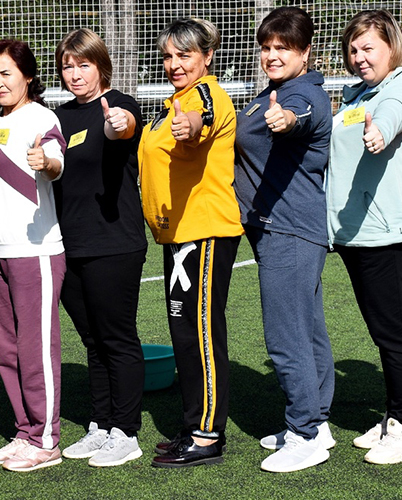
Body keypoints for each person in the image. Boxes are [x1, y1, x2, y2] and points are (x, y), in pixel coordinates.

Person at [326, 10, 402, 465]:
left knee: (396, 332)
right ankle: (394, 416)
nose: (359, 56)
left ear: (392, 47)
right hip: (358, 234)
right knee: (383, 332)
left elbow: (390, 117)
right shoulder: (357, 94)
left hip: (389, 235)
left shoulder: (401, 89)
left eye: (368, 47)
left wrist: (379, 131)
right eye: (353, 49)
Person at [233, 7, 334, 473]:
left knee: (285, 335)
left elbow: (302, 117)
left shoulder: (302, 94)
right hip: (280, 229)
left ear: (305, 52)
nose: (272, 55)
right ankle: (319, 421)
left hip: (289, 229)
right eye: (267, 47)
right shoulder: (268, 94)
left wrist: (287, 120)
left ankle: (304, 433)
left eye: (283, 48)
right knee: (307, 329)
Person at [140, 18, 243, 469]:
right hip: (180, 235)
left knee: (200, 333)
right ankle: (192, 424)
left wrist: (191, 126)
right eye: (168, 56)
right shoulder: (173, 103)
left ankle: (207, 435)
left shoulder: (205, 95)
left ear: (207, 57)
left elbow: (202, 118)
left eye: (184, 55)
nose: (174, 64)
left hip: (205, 231)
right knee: (184, 333)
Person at [52, 28, 148, 468]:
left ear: (101, 65)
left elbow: (121, 128)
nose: (74, 74)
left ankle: (126, 431)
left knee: (117, 336)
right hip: (68, 246)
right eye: (67, 66)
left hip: (113, 242)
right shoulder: (59, 117)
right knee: (92, 340)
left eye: (83, 65)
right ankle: (102, 423)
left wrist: (117, 124)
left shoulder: (120, 104)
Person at [0, 38, 68, 472]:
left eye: (6, 73)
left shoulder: (42, 117)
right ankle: (25, 432)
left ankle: (46, 440)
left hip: (36, 253)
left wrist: (45, 161)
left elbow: (55, 159)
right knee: (8, 352)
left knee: (36, 349)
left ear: (28, 76)